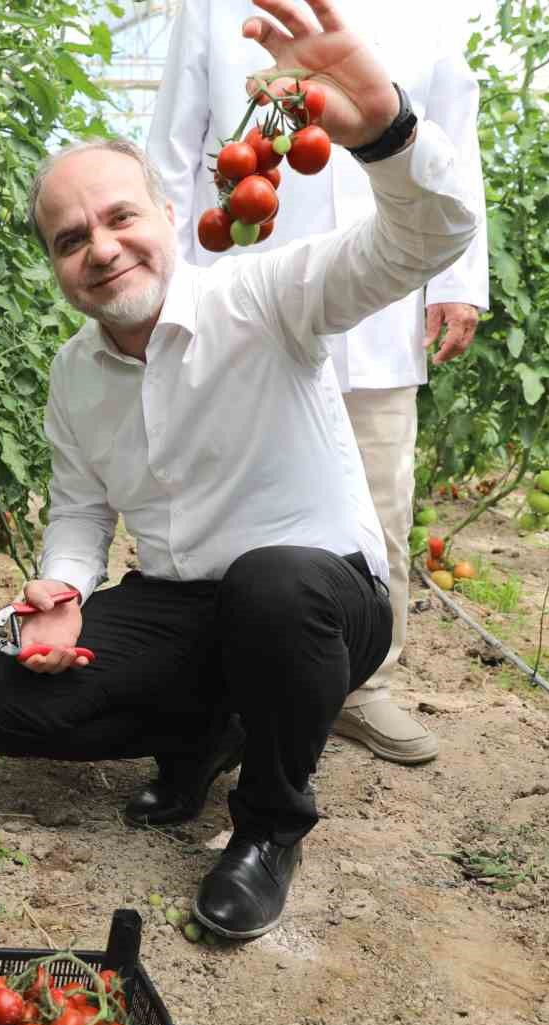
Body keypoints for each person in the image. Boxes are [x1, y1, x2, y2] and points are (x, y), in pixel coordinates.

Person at [0, 0, 479, 939]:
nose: (102, 249)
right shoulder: (77, 372)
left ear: (167, 210)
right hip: (183, 598)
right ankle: (210, 736)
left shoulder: (267, 295)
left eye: (119, 217)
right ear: (54, 267)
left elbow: (423, 240)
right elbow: (79, 510)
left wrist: (391, 133)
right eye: (70, 240)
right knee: (3, 702)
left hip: (320, 601)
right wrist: (64, 587)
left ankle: (270, 826)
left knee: (272, 589)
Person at [147, 0, 489, 765]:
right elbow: (172, 144)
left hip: (379, 299)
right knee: (230, 491)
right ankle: (226, 685)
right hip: (240, 293)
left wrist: (458, 280)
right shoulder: (213, 9)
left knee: (380, 495)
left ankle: (366, 688)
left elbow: (453, 138)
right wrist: (168, 286)